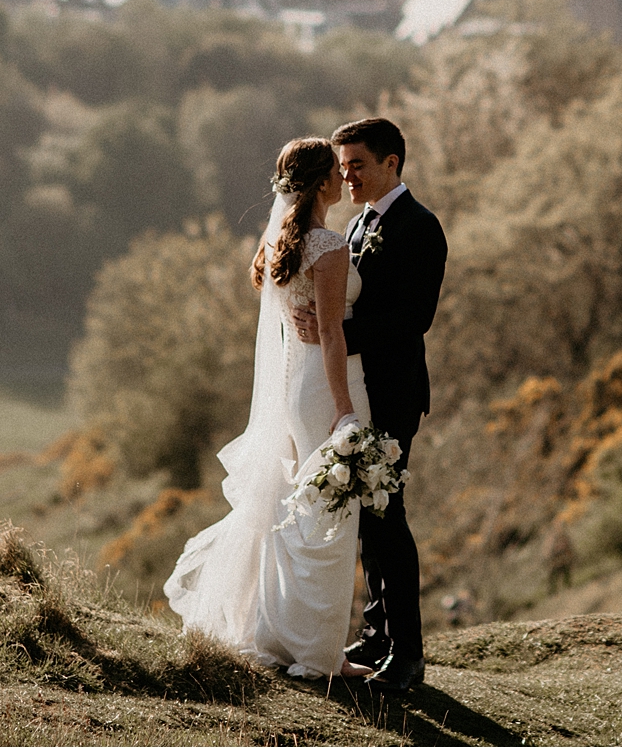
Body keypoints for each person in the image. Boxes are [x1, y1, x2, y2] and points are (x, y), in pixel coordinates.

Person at [163, 136, 373, 677]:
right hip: (327, 385)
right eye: (338, 170)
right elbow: (330, 334)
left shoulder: (280, 240)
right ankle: (316, 651)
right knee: (328, 515)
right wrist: (346, 410)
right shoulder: (327, 245)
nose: (344, 179)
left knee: (291, 510)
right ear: (325, 182)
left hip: (293, 384)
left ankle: (275, 633)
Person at [321, 116, 447, 692]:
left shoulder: (420, 227)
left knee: (388, 518)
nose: (347, 176)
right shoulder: (356, 223)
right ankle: (377, 632)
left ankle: (409, 655)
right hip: (362, 390)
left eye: (357, 166)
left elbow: (412, 318)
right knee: (368, 517)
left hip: (393, 391)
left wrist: (342, 332)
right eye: (343, 167)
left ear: (391, 163)